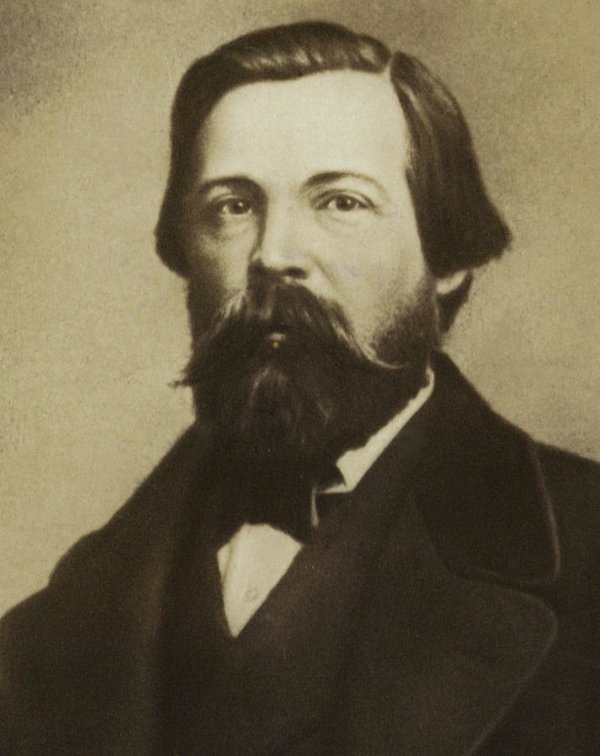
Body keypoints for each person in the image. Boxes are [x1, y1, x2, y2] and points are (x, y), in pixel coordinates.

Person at [1, 21, 598, 755]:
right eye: (233, 206)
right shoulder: (48, 634)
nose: (273, 254)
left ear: (446, 257)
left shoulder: (586, 559)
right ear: (183, 251)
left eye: (340, 202)